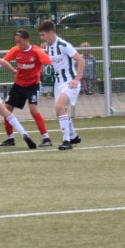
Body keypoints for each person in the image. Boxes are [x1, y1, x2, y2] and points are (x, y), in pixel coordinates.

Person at [0, 28, 53, 147]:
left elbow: (49, 61)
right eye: (16, 42)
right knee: (6, 109)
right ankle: (10, 139)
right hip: (18, 85)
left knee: (33, 109)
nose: (18, 44)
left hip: (32, 85)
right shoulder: (15, 50)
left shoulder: (37, 51)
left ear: (27, 39)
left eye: (20, 42)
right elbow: (2, 61)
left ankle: (46, 138)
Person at [39, 20, 86, 150]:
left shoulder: (63, 45)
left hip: (69, 82)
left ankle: (67, 141)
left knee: (59, 107)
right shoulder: (49, 47)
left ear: (51, 33)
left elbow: (81, 60)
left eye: (43, 35)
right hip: (58, 83)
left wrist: (77, 79)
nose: (42, 38)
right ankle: (73, 136)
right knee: (60, 111)